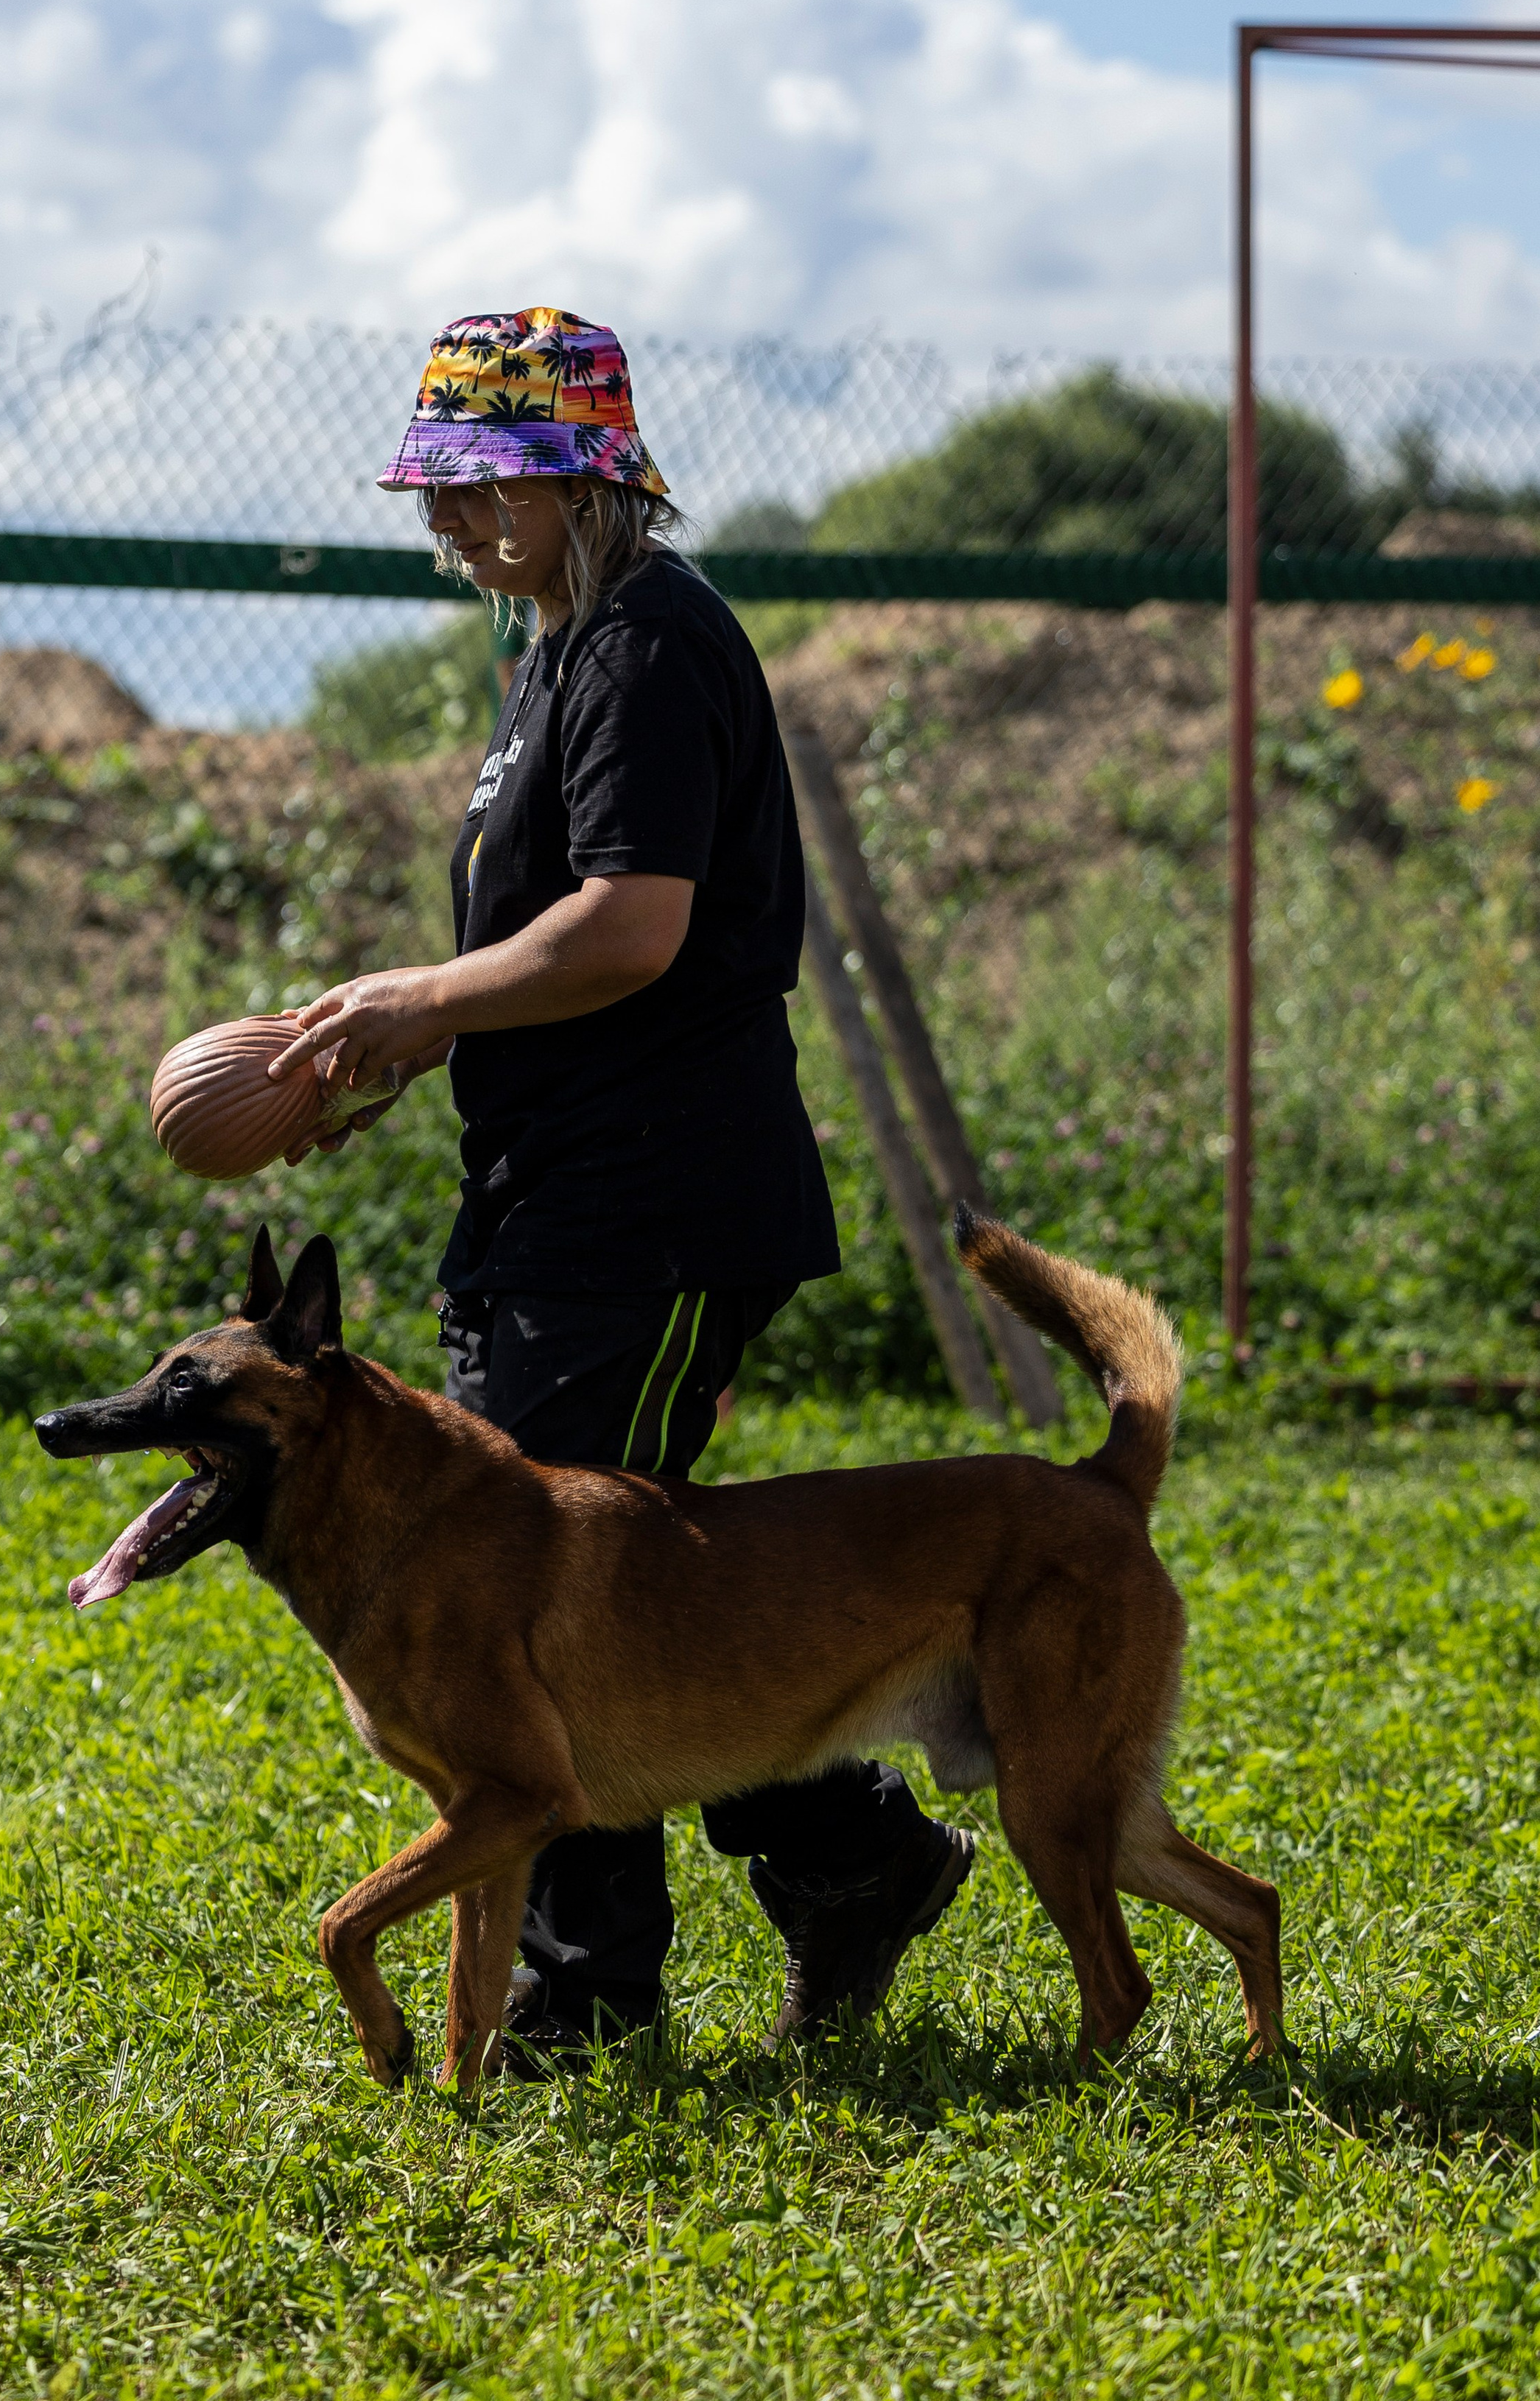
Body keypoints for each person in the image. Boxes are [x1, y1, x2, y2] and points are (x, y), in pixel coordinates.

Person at [269, 306, 972, 2067]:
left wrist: (425, 996)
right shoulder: (557, 651)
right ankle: (850, 1860)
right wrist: (410, 1048)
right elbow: (548, 943)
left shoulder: (650, 644)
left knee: (539, 1578)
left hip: (652, 1202)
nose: (449, 520)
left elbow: (632, 927)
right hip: (556, 1195)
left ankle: (589, 1995)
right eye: (436, 491)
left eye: (483, 486)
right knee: (613, 1588)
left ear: (586, 480)